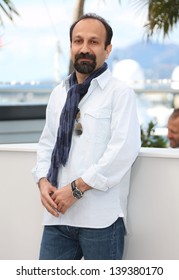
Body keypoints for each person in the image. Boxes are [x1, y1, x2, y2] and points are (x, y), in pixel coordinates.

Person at [32, 13, 141, 260]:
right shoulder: (59, 93)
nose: (84, 48)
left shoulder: (120, 94)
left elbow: (123, 150)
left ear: (107, 49)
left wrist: (76, 189)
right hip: (57, 217)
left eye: (93, 42)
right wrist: (42, 181)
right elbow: (47, 144)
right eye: (78, 41)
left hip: (100, 219)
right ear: (71, 46)